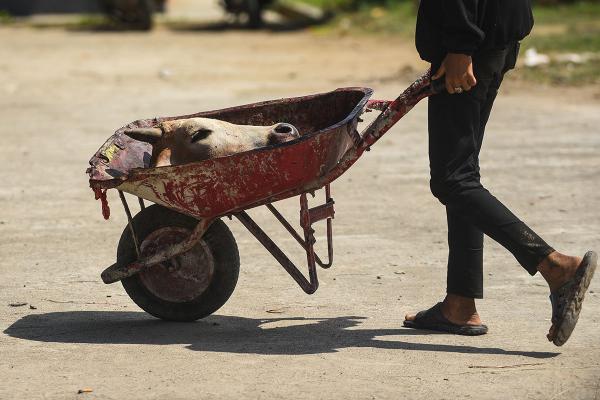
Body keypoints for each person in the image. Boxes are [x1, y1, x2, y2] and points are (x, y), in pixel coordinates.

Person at [402, 0, 596, 346]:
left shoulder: (464, 44)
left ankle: (555, 266)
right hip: (495, 35)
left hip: (470, 45)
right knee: (463, 174)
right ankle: (460, 304)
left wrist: (460, 45)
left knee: (452, 180)